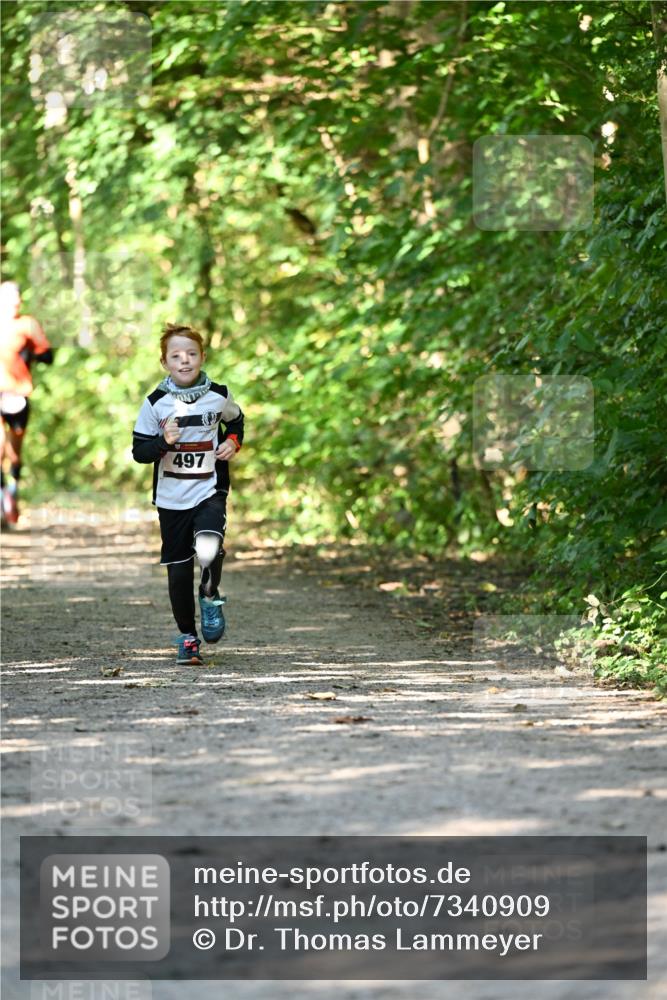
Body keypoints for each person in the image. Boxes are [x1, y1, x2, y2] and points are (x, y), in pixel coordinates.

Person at [132, 323, 244, 665]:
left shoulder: (219, 394)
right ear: (165, 362)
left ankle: (209, 595)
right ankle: (188, 638)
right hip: (171, 498)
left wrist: (231, 442)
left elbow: (236, 422)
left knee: (209, 546)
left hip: (209, 489)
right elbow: (139, 452)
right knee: (178, 569)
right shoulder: (155, 403)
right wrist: (162, 441)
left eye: (192, 354)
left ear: (202, 357)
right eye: (176, 356)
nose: (185, 361)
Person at [0, 281, 54, 525]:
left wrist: (34, 353)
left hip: (19, 395)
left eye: (16, 301)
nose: (13, 305)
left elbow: (47, 354)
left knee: (14, 452)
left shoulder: (28, 325)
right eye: (8, 300)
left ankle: (13, 488)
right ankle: (3, 498)